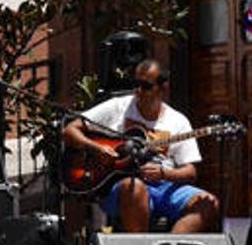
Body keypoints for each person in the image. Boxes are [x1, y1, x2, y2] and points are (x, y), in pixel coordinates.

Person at [62, 59, 220, 233]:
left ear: (163, 88)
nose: (138, 91)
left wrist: (164, 173)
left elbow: (190, 171)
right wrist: (96, 149)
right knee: (135, 188)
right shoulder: (117, 107)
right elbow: (70, 130)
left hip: (165, 186)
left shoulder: (178, 121)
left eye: (145, 86)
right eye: (135, 84)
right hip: (123, 186)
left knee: (208, 202)